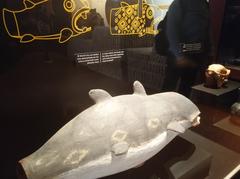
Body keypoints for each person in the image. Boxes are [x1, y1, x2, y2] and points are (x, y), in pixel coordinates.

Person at [161, 0, 213, 97]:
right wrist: (179, 56)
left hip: (195, 55)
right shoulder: (180, 3)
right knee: (168, 88)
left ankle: (183, 111)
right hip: (178, 54)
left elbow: (206, 30)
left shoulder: (204, 4)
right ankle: (161, 110)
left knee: (186, 88)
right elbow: (171, 30)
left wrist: (208, 52)